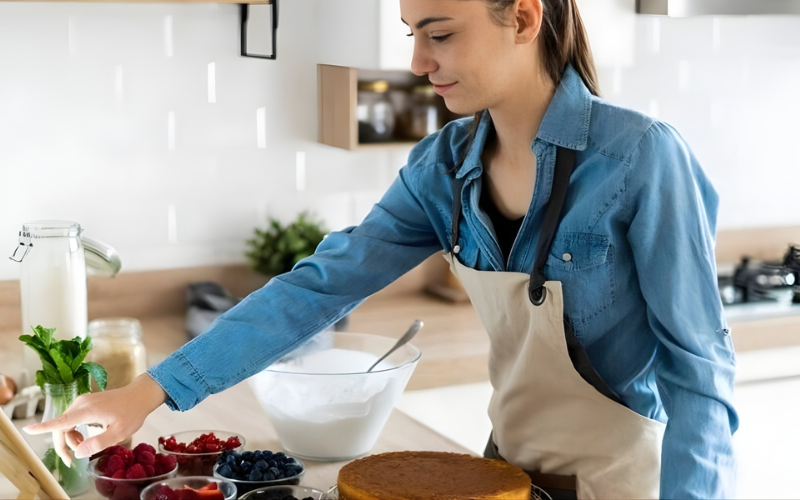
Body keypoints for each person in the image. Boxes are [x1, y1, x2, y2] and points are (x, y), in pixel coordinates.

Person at [25, 0, 738, 498]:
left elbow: (700, 378)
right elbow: (317, 288)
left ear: (523, 16)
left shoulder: (640, 158)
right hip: (506, 482)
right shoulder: (443, 166)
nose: (418, 60)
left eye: (439, 33)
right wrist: (144, 396)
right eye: (410, 33)